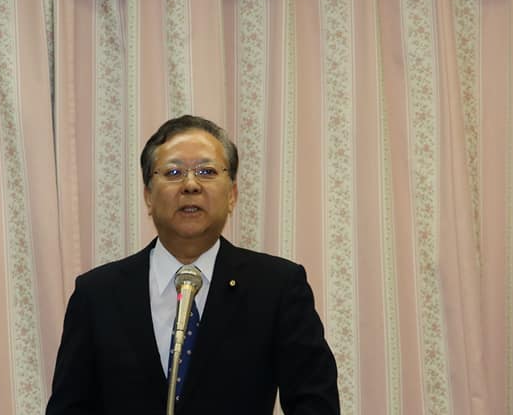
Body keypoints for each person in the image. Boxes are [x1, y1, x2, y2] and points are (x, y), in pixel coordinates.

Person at [45, 115, 340, 415]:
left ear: (232, 195)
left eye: (206, 171)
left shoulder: (277, 287)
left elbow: (316, 404)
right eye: (173, 172)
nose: (190, 185)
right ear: (148, 196)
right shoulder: (97, 294)